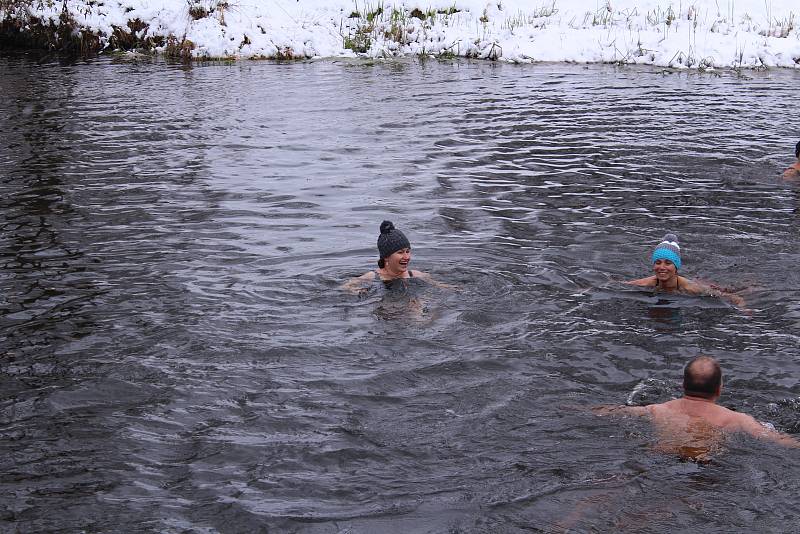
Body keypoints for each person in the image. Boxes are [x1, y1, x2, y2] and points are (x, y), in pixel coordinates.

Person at [596, 355, 800, 461]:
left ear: (683, 385)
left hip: (660, 457)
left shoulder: (657, 409)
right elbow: (778, 440)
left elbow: (612, 412)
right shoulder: (737, 419)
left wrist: (574, 407)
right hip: (705, 467)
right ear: (719, 389)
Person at [625, 233, 746, 309]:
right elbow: (619, 284)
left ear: (676, 267)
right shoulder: (647, 282)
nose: (661, 267)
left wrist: (743, 307)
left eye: (668, 263)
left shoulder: (691, 288)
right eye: (658, 262)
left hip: (698, 283)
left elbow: (732, 297)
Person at [342, 220, 450, 294]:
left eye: (408, 251)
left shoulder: (414, 275)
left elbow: (439, 285)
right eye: (400, 252)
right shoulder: (373, 276)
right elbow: (346, 287)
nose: (406, 256)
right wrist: (356, 291)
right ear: (386, 257)